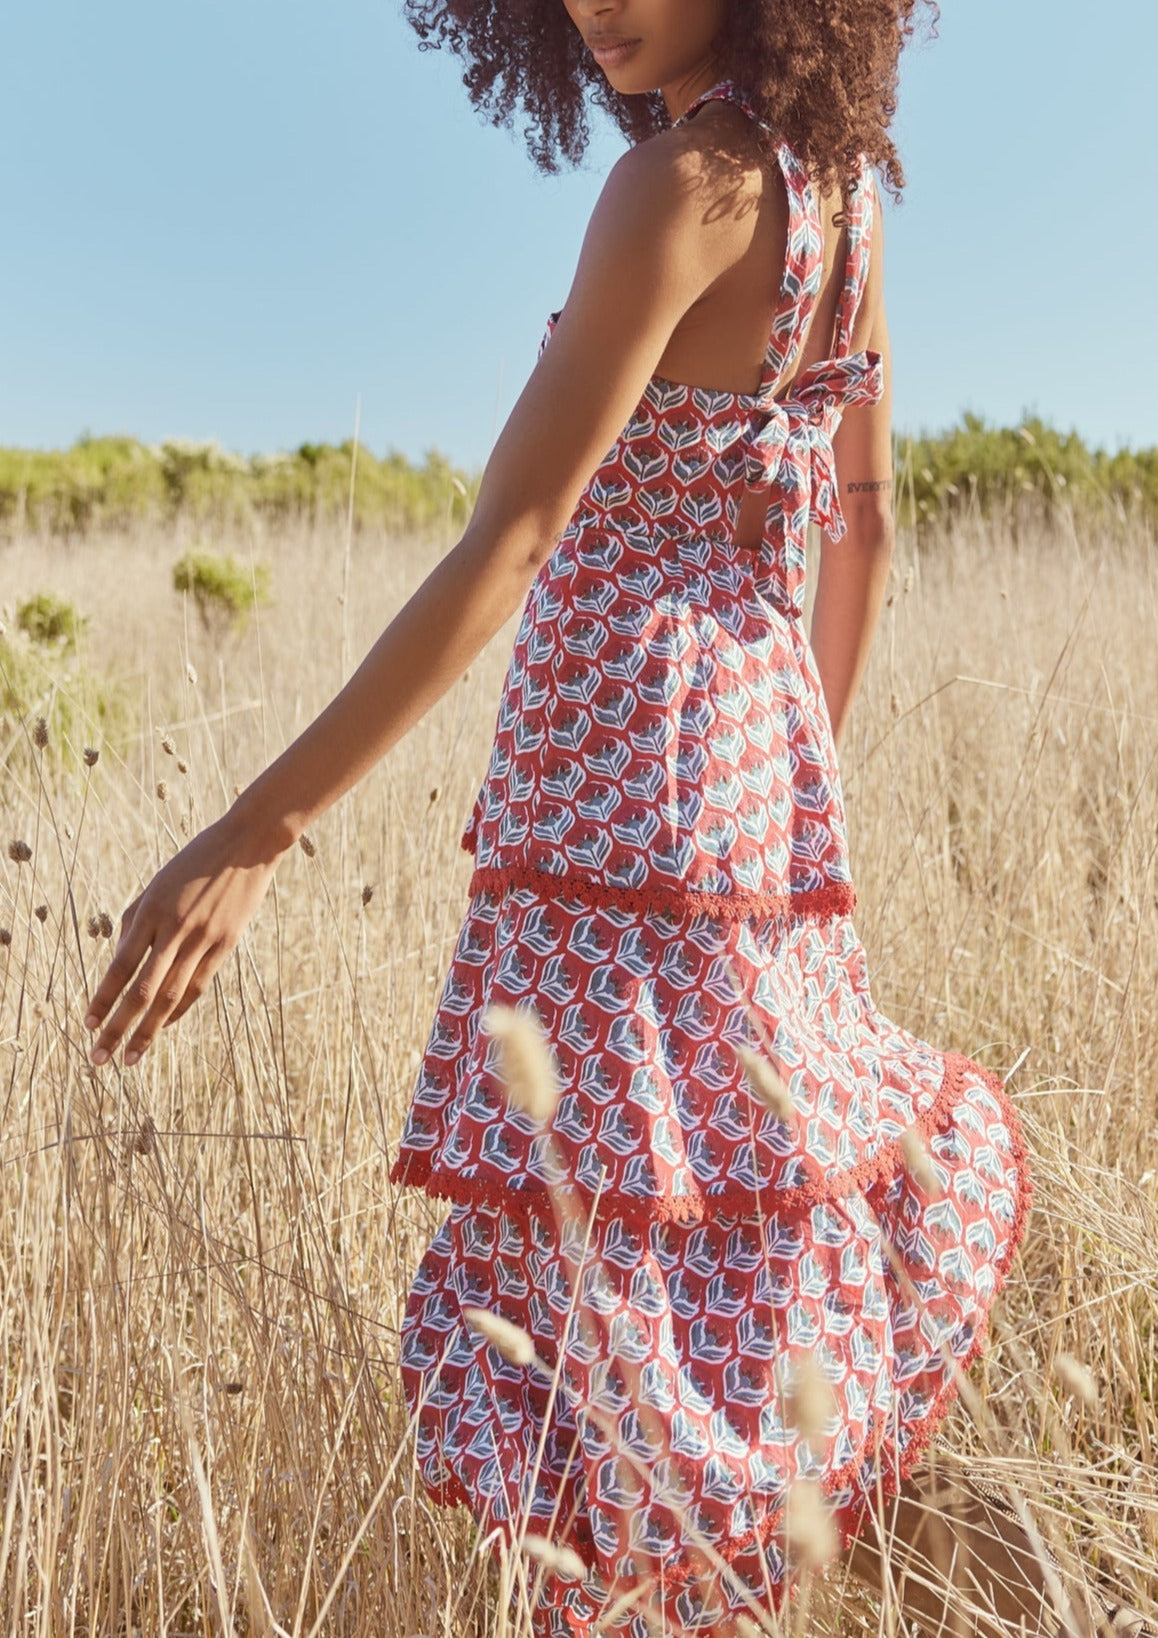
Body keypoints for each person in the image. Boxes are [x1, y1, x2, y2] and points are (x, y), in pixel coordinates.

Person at [82, 3, 1144, 1634]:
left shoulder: (682, 185)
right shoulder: (841, 194)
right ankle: (723, 1552)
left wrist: (259, 825)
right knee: (707, 1195)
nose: (595, 3)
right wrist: (793, 790)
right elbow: (856, 530)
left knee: (607, 1232)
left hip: (615, 771)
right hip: (750, 755)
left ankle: (653, 1583)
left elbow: (512, 541)